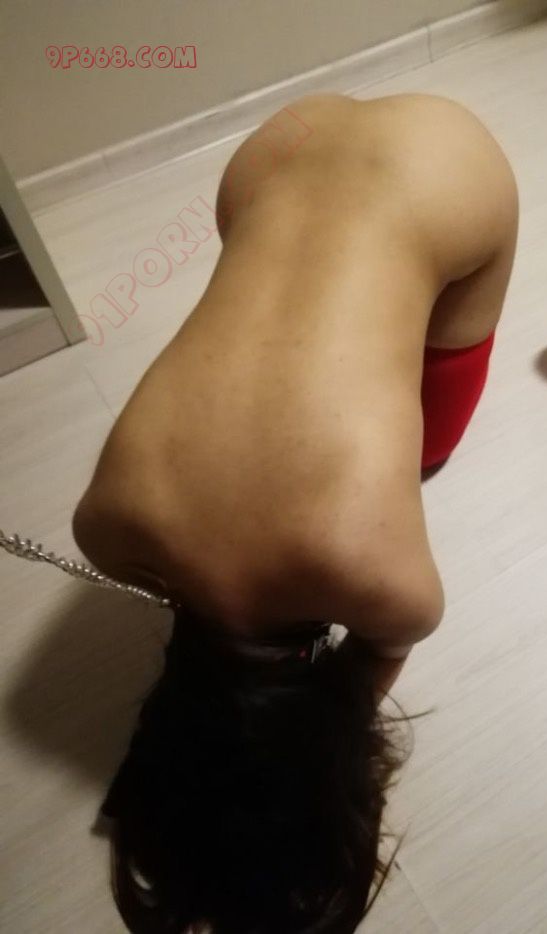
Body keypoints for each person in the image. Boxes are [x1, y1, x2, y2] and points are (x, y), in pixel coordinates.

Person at [71, 92, 518, 933]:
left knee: (432, 449)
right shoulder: (101, 531)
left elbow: (377, 656)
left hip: (446, 159)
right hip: (275, 149)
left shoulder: (392, 592)